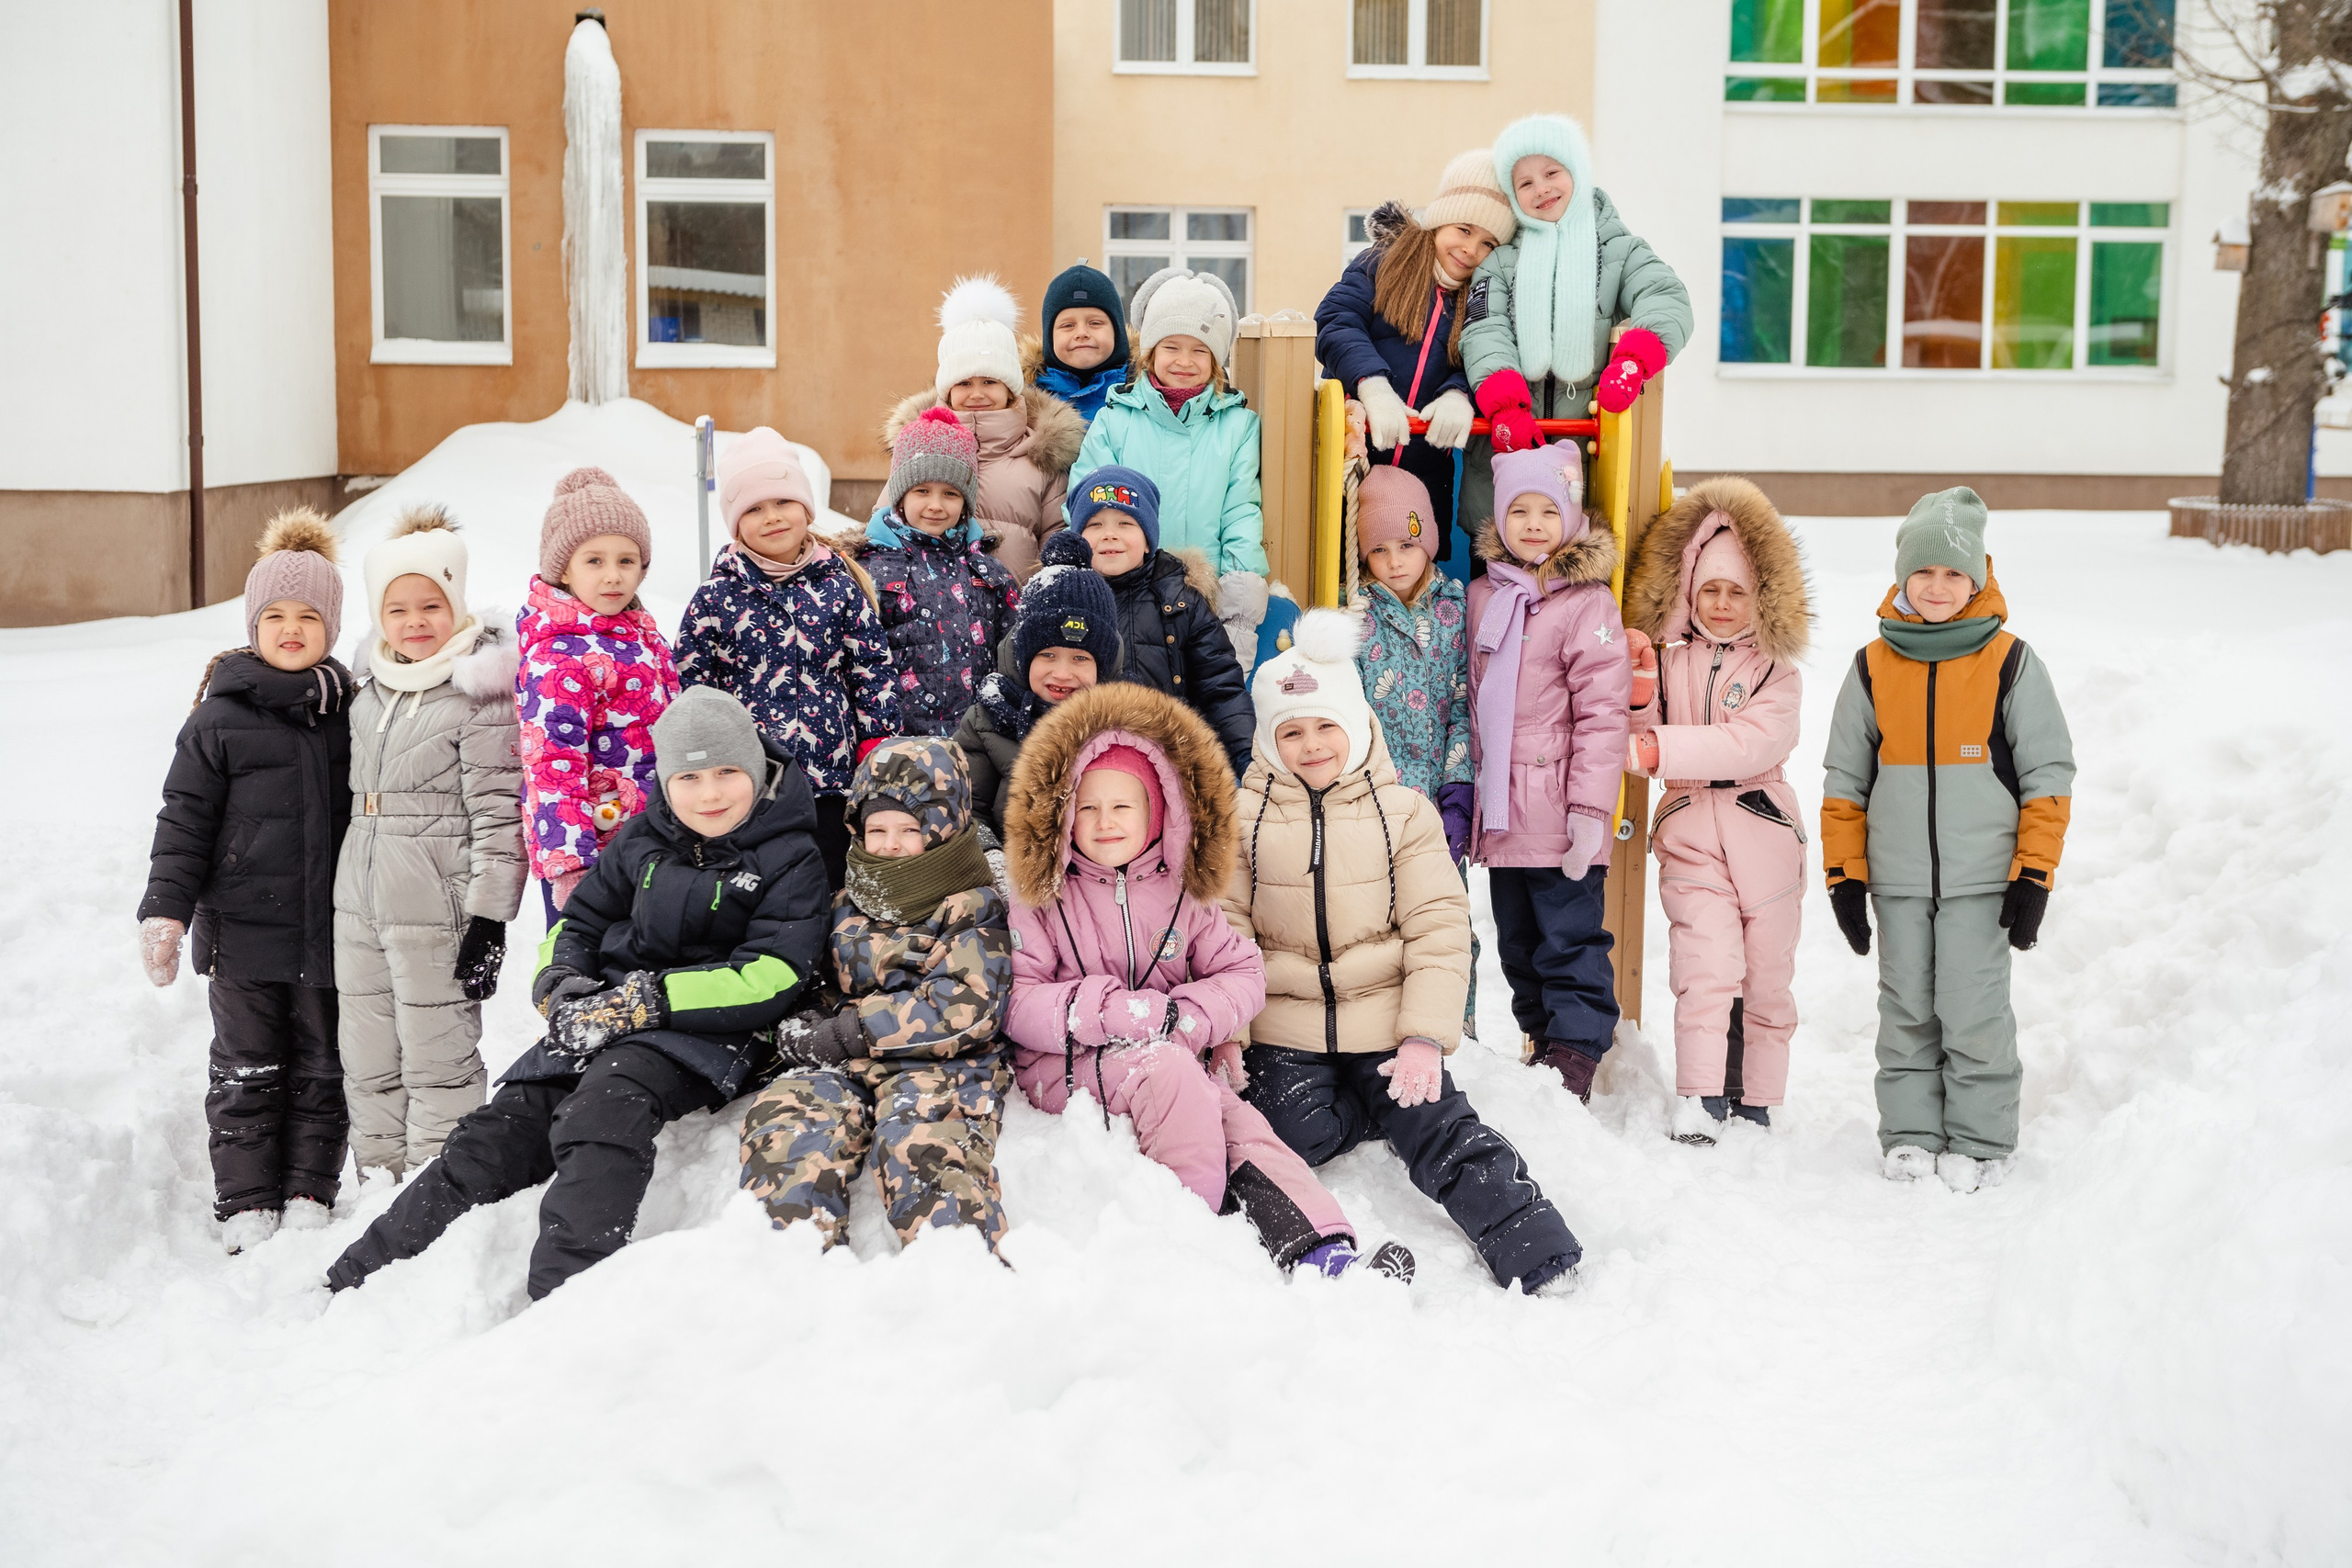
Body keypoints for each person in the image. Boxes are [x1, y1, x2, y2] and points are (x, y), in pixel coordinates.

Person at [325, 687, 831, 1299]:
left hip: (703, 1029)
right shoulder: (643, 837)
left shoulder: (790, 855)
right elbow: (580, 921)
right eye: (690, 777)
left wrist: (647, 1003)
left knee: (604, 1110)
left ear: (754, 767)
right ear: (666, 781)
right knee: (497, 1130)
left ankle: (563, 1296)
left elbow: (773, 972)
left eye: (727, 772)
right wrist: (561, 982)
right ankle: (353, 1278)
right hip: (607, 1012)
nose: (710, 794)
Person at [1001, 683, 1409, 1280]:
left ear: (1157, 811)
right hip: (1064, 1065)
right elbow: (1018, 1000)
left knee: (1244, 1127)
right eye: (1087, 808)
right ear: (1063, 814)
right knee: (1169, 1071)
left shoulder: (1180, 890)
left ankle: (1323, 1249)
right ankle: (1189, 1234)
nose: (1104, 822)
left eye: (1123, 806)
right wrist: (1110, 1012)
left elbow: (1242, 971)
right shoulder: (1043, 894)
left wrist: (1190, 1015)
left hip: (1167, 1049)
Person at [1231, 612, 1580, 1295]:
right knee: (1286, 1135)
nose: (1311, 745)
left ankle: (1535, 1245)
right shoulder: (1244, 819)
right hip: (1286, 1023)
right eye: (1291, 732)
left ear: (1358, 724)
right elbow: (1227, 928)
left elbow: (1438, 926)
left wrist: (1423, 1035)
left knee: (1437, 1126)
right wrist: (1233, 1032)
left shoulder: (1404, 814)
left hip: (1387, 1022)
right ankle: (1362, 1110)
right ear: (1268, 739)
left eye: (1326, 725)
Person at [1821, 488, 2075, 1193]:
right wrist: (1845, 874)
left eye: (1953, 573)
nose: (1937, 586)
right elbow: (1845, 779)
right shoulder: (1872, 666)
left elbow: (2048, 773)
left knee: (1973, 1009)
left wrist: (2034, 873)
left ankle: (1981, 1140)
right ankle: (1910, 1134)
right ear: (1903, 577)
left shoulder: (2010, 662)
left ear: (1978, 577)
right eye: (1924, 572)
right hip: (1898, 878)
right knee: (1905, 1007)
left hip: (1982, 879)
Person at [138, 510, 354, 1253]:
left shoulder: (352, 714)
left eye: (309, 616)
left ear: (332, 627)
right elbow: (184, 819)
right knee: (247, 1068)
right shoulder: (217, 720)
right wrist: (165, 911)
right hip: (242, 935)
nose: (292, 629)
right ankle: (246, 1199)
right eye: (275, 616)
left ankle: (308, 1188)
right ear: (252, 625)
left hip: (329, 932)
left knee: (325, 1065)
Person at [738, 738, 1014, 1251]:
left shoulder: (971, 907)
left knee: (924, 1149)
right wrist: (806, 1018)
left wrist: (849, 1031)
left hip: (941, 1066)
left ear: (943, 831)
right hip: (846, 1059)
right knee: (791, 1124)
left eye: (909, 830)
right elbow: (821, 977)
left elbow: (968, 1007)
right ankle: (787, 1256)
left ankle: (958, 1268)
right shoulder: (847, 900)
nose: (889, 844)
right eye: (877, 830)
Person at [335, 505, 526, 1179]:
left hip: (439, 908)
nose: (415, 622)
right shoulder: (367, 692)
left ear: (457, 605)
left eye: (431, 606)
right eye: (398, 609)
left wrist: (490, 918)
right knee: (367, 1057)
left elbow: (500, 814)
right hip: (358, 904)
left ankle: (435, 1188)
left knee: (437, 1057)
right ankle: (377, 1180)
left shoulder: (478, 694)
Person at [1622, 478, 1811, 1145]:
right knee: (1703, 966)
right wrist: (1640, 692)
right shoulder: (1673, 660)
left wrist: (1659, 746)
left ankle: (1757, 1098)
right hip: (1690, 830)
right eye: (1710, 591)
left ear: (1760, 596)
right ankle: (1700, 1097)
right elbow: (1641, 730)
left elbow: (1753, 740)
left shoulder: (1776, 669)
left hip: (1764, 829)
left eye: (1737, 592)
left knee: (1766, 977)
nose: (1723, 605)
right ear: (1689, 593)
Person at [1466, 446, 1630, 1101]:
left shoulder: (1587, 604)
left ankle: (1576, 1055)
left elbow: (1602, 714)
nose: (1533, 524)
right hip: (1503, 811)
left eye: (1547, 511)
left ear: (1570, 517)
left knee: (1570, 938)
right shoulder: (1484, 595)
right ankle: (1540, 1040)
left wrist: (1590, 811)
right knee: (1517, 941)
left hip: (1560, 810)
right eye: (1519, 511)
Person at [675, 426, 899, 890]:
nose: (772, 517)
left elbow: (871, 668)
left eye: (782, 501)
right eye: (753, 508)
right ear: (735, 523)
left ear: (806, 508)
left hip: (832, 778)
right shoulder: (716, 598)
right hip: (752, 783)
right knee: (761, 888)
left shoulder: (838, 586)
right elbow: (693, 689)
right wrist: (706, 765)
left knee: (828, 883)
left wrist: (876, 742)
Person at [1459, 112, 1692, 534]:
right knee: (1500, 566)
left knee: (1581, 568)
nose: (1541, 189)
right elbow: (1483, 329)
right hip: (1511, 457)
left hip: (1588, 462)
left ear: (1578, 172)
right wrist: (1505, 404)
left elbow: (1665, 295)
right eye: (1525, 183)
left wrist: (1633, 361)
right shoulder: (1499, 262)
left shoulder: (1620, 248)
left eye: (1552, 173)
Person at [1314, 150, 1516, 570]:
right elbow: (1336, 320)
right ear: (1441, 219)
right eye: (1464, 229)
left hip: (1422, 474)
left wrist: (1459, 394)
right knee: (1341, 568)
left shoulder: (1482, 296)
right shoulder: (1384, 262)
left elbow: (1486, 353)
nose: (1470, 250)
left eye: (1489, 243)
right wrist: (1373, 387)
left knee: (1410, 578)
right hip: (1352, 459)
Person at [1068, 267, 1270, 665]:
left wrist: (1240, 598)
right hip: (1123, 591)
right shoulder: (1116, 420)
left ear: (1216, 359)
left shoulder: (1238, 426)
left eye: (1200, 350)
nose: (1184, 361)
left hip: (1204, 597)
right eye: (1171, 347)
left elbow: (1242, 513)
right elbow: (1084, 502)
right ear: (1151, 353)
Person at [517, 466, 680, 919]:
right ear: (564, 571)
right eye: (594, 561)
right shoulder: (557, 655)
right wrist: (571, 868)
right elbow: (552, 766)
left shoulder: (643, 637)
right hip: (595, 858)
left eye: (626, 561)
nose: (613, 576)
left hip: (654, 842)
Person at [1352, 465, 1480, 1032]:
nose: (1395, 561)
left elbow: (1463, 703)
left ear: (1427, 540)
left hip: (1435, 803)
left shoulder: (1456, 610)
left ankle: (1457, 1028)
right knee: (1375, 922)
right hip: (1374, 801)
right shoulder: (1357, 614)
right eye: (1379, 550)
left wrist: (1459, 789)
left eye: (1407, 545)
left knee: (1446, 920)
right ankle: (1380, 1030)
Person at [880, 276, 1087, 583]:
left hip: (1017, 603)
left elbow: (1055, 539)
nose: (977, 394)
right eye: (964, 383)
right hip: (930, 606)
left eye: (989, 381)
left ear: (1011, 388)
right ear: (948, 391)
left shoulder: (1041, 457)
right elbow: (883, 527)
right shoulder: (919, 449)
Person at [1068, 465, 1255, 780]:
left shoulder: (1180, 600)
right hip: (1082, 765)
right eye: (1095, 524)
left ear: (1147, 541)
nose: (1109, 534)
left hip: (1168, 764)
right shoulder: (1063, 600)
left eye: (1125, 523)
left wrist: (1248, 762)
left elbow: (1220, 689)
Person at [856, 407, 1020, 738]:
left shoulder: (988, 573)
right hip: (900, 743)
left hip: (975, 742)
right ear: (900, 496)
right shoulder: (872, 569)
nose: (936, 505)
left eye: (950, 493)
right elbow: (858, 661)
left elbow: (1015, 654)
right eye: (922, 491)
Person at [953, 528, 1122, 845]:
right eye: (1047, 655)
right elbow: (966, 811)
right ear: (1024, 657)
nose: (1062, 673)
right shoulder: (988, 720)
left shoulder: (1128, 724)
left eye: (1080, 658)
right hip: (1012, 864)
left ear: (1103, 666)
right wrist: (991, 855)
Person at [1034, 261, 1128, 423]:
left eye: (1095, 323)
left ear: (1117, 332)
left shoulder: (1147, 395)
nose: (1082, 333)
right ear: (1049, 338)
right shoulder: (1025, 404)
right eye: (1068, 325)